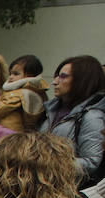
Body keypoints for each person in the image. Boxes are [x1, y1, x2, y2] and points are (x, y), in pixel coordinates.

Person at [40, 55, 105, 186]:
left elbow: (92, 162)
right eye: (56, 76)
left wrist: (46, 165)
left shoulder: (92, 116)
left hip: (68, 191)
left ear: (82, 81)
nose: (55, 82)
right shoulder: (50, 110)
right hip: (43, 186)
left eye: (63, 76)